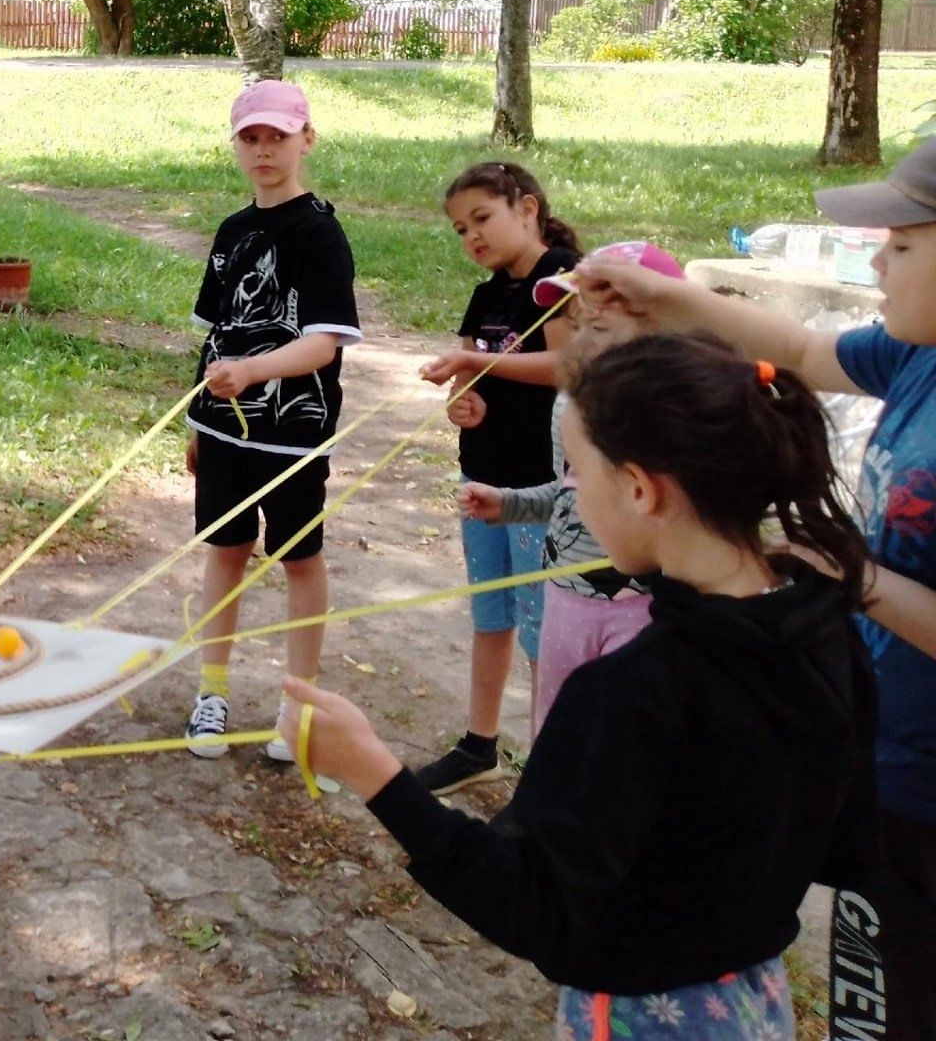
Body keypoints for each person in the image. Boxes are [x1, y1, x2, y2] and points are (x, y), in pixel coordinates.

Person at [288, 333, 878, 1041]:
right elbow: (840, 839)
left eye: (576, 471)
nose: (572, 489)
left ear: (639, 488)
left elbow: (536, 908)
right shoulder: (825, 632)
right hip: (756, 1004)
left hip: (637, 1016)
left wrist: (373, 772)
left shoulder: (635, 690)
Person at [577, 138, 936, 1041]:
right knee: (876, 996)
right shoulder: (917, 356)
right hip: (888, 758)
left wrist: (857, 581)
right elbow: (807, 350)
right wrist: (669, 297)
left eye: (901, 243)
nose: (876, 261)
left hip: (931, 788)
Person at [181, 79, 361, 773]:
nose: (263, 151)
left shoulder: (320, 233)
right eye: (250, 138)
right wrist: (198, 420)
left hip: (294, 434)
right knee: (224, 552)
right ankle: (212, 691)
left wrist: (254, 374)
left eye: (277, 137)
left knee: (299, 559)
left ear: (306, 140)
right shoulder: (231, 233)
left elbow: (324, 343)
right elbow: (215, 339)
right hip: (225, 432)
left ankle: (297, 704)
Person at [457, 241, 679, 736]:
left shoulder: (675, 420)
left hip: (639, 611)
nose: (576, 345)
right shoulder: (570, 405)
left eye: (597, 328)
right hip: (567, 601)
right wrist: (511, 504)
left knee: (618, 741)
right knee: (555, 731)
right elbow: (570, 495)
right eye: (574, 327)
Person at [416, 160, 578, 793]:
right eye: (460, 229)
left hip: (539, 491)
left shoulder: (560, 276)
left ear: (528, 209)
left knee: (543, 632)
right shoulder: (486, 293)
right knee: (492, 616)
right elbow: (468, 387)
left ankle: (545, 773)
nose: (471, 238)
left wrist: (474, 360)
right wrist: (464, 399)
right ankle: (480, 744)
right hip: (481, 479)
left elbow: (569, 363)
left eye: (482, 218)